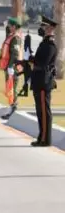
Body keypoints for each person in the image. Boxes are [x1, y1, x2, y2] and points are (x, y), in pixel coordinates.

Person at [29, 16, 58, 147]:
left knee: (44, 111)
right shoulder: (44, 43)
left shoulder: (50, 45)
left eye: (44, 27)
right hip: (39, 80)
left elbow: (43, 62)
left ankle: (46, 139)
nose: (41, 29)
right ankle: (41, 137)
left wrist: (31, 59)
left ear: (50, 29)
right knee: (40, 111)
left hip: (43, 81)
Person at [0, 17, 23, 119]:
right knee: (9, 89)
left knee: (12, 89)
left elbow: (15, 54)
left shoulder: (16, 38)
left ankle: (13, 110)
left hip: (13, 68)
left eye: (10, 25)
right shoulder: (11, 36)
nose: (8, 27)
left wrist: (10, 67)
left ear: (14, 27)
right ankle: (11, 108)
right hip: (8, 68)